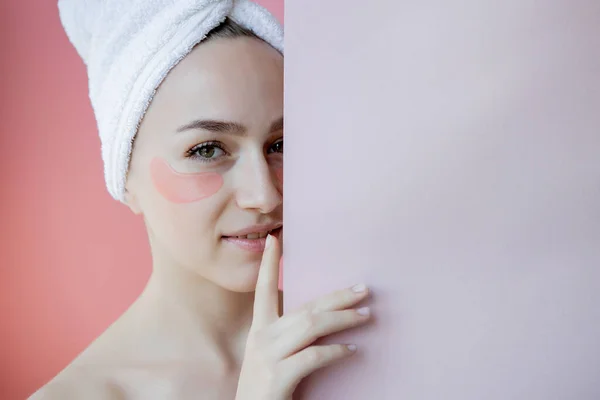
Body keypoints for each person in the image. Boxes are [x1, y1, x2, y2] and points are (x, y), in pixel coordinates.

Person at [31, 1, 372, 399]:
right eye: (208, 150)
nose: (264, 195)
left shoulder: (361, 333)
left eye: (280, 144)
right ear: (125, 177)